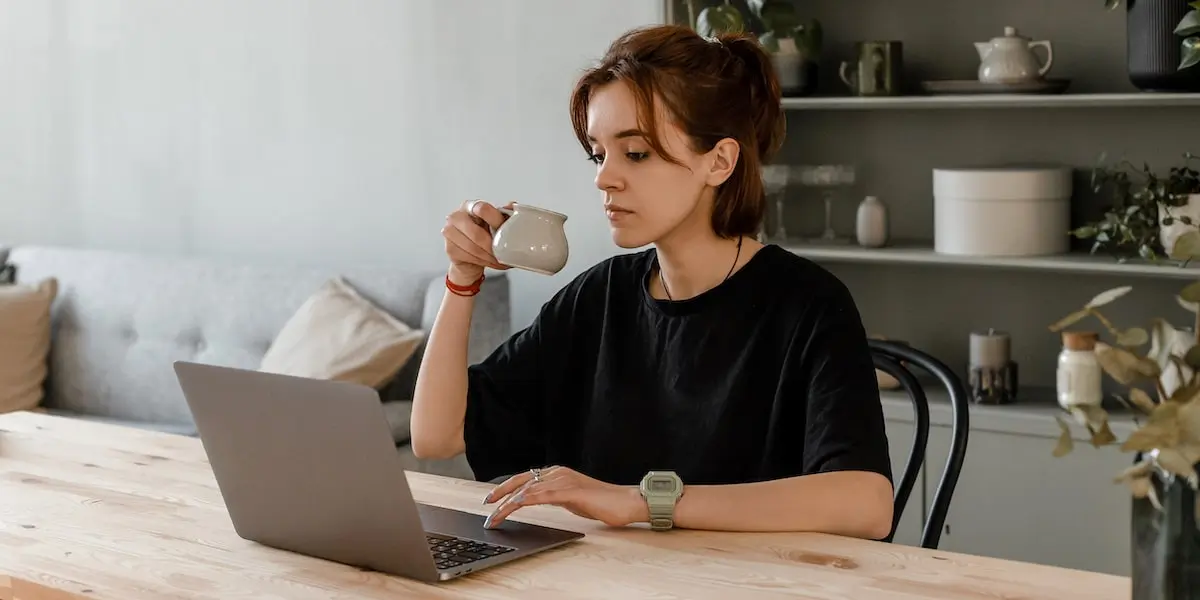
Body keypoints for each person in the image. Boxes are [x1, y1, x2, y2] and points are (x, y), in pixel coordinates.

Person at [411, 24, 893, 540]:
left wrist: (642, 500)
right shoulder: (599, 298)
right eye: (599, 154)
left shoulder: (808, 304)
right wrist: (463, 279)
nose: (604, 178)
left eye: (635, 153)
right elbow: (436, 436)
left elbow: (865, 502)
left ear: (719, 161)